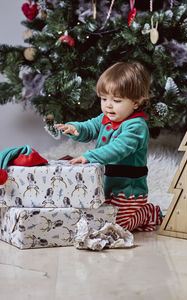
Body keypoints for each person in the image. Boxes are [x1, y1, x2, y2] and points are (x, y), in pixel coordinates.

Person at [55, 62, 163, 232]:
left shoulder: (136, 126)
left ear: (136, 102)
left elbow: (118, 148)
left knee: (119, 225)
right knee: (99, 218)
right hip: (106, 184)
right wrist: (75, 128)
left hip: (129, 189)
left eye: (117, 100)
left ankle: (149, 212)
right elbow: (89, 127)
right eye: (104, 99)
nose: (108, 105)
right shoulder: (106, 117)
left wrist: (89, 156)